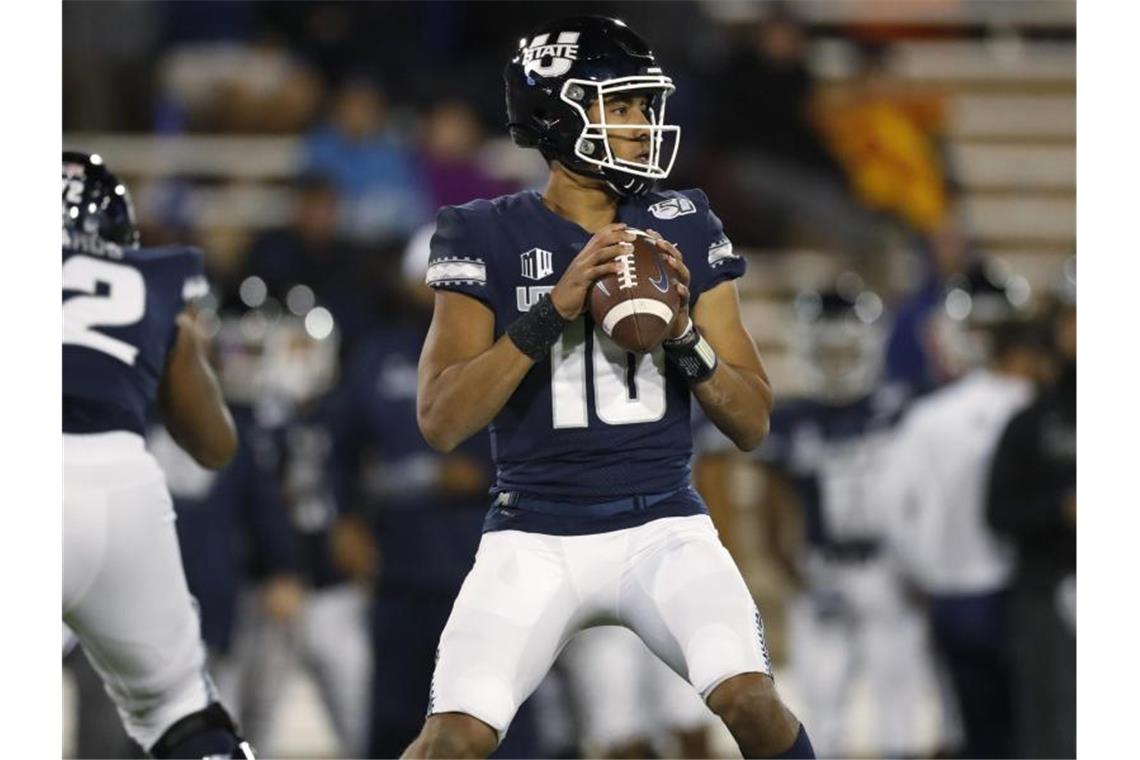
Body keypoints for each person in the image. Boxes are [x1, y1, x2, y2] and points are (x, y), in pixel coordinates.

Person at [405, 17, 812, 759]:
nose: (640, 125)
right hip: (532, 531)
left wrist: (687, 337)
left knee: (752, 702)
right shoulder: (482, 231)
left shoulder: (682, 223)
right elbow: (440, 418)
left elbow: (752, 421)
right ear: (556, 114)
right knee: (450, 742)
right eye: (618, 107)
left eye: (642, 107)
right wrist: (551, 310)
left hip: (663, 522)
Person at [62, 151, 253, 759]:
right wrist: (181, 342)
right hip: (122, 483)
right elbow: (214, 444)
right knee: (179, 710)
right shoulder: (156, 277)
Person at [333, 236, 540, 758]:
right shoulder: (378, 354)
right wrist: (344, 522)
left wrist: (486, 474)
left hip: (486, 566)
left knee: (498, 716)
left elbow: (549, 442)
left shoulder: (510, 347)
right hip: (400, 565)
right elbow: (339, 451)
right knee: (395, 719)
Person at [751, 282, 942, 758]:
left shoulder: (899, 410)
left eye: (845, 350)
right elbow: (771, 516)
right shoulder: (793, 418)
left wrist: (920, 568)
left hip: (890, 569)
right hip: (824, 570)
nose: (837, 361)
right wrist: (799, 582)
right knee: (822, 713)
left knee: (902, 713)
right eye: (827, 351)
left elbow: (926, 496)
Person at [880, 260, 1051, 759]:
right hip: (1023, 590)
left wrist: (929, 572)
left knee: (970, 729)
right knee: (1033, 727)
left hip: (954, 593)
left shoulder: (928, 415)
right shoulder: (1036, 407)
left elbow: (892, 511)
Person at [986, 258, 1076, 759]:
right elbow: (1000, 511)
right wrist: (1059, 510)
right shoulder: (1029, 420)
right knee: (1052, 731)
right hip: (1046, 589)